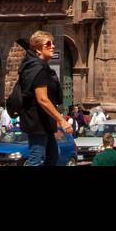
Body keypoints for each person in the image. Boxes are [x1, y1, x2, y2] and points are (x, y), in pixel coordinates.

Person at [17, 30, 73, 166]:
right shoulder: (38, 69)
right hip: (38, 123)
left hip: (45, 123)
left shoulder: (41, 67)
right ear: (38, 49)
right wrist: (61, 120)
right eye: (48, 44)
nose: (52, 46)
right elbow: (42, 99)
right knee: (36, 160)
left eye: (53, 43)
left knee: (52, 157)